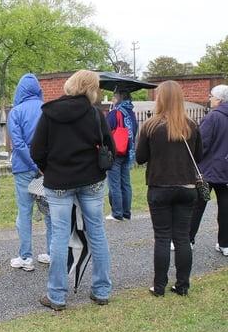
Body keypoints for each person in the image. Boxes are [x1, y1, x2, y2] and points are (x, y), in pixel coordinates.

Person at [31, 70, 113, 311]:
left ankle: (57, 295)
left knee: (59, 235)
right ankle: (102, 290)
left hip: (59, 180)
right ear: (91, 89)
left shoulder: (49, 114)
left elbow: (37, 151)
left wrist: (48, 168)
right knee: (96, 232)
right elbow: (110, 147)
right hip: (91, 180)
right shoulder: (95, 114)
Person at [136, 80, 202, 296]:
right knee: (182, 238)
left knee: (162, 237)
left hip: (159, 186)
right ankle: (183, 285)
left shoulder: (150, 126)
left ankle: (159, 286)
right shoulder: (191, 125)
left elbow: (140, 157)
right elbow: (199, 156)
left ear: (160, 98)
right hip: (186, 185)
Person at [7, 74, 51, 271]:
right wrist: (42, 165)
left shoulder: (15, 112)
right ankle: (51, 252)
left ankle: (26, 257)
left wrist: (33, 164)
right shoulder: (47, 110)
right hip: (47, 168)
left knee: (24, 212)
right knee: (49, 211)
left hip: (23, 167)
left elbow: (18, 143)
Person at [189, 84, 228, 255]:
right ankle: (225, 244)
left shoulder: (213, 117)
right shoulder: (215, 116)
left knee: (197, 204)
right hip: (225, 170)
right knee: (225, 207)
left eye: (211, 95)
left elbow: (201, 144)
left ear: (219, 99)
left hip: (209, 170)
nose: (209, 98)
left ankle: (188, 240)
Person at [106, 90, 138, 221]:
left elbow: (106, 131)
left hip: (116, 151)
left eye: (114, 96)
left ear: (119, 97)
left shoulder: (115, 113)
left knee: (114, 184)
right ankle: (126, 212)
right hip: (128, 151)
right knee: (126, 183)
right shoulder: (131, 113)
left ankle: (117, 213)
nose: (113, 98)